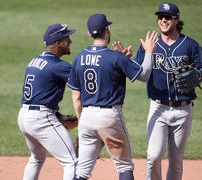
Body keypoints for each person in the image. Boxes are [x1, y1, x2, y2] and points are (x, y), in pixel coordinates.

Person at [67, 13, 158, 180]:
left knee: (81, 172)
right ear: (108, 30)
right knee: (124, 166)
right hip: (109, 117)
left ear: (89, 34)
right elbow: (144, 75)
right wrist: (149, 52)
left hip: (86, 118)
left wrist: (82, 122)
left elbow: (75, 94)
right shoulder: (115, 57)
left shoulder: (79, 57)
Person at [133, 3, 202, 180]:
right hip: (158, 108)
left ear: (176, 19)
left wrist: (199, 74)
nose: (163, 20)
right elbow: (136, 70)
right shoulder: (150, 46)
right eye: (160, 16)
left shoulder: (190, 45)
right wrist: (123, 59)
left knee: (176, 162)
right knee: (153, 156)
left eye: (167, 17)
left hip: (183, 110)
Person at [17, 23, 78, 180]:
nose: (70, 41)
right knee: (72, 162)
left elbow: (39, 93)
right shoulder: (58, 66)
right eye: (67, 39)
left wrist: (57, 116)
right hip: (40, 119)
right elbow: (84, 84)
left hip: (24, 116)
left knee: (36, 158)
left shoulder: (34, 61)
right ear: (58, 43)